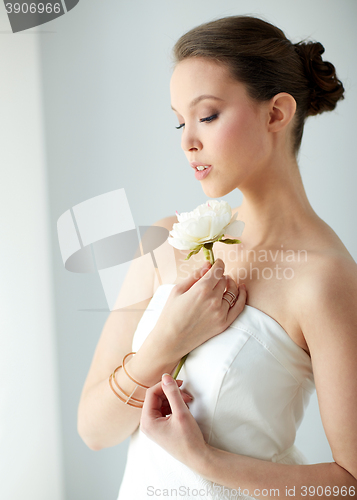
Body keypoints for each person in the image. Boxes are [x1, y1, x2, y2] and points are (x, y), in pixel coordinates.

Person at [77, 15, 357, 500]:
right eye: (179, 120)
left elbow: (349, 484)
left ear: (276, 113)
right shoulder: (168, 239)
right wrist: (167, 341)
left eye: (206, 116)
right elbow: (95, 431)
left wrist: (204, 460)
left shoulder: (324, 277)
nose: (187, 140)